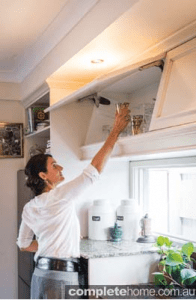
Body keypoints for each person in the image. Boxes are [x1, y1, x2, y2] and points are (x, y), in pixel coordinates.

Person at [16, 103, 130, 299]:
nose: (60, 168)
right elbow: (93, 170)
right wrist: (115, 131)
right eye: (54, 165)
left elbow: (24, 244)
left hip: (39, 274)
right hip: (61, 277)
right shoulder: (60, 196)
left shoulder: (29, 207)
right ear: (43, 175)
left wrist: (52, 243)